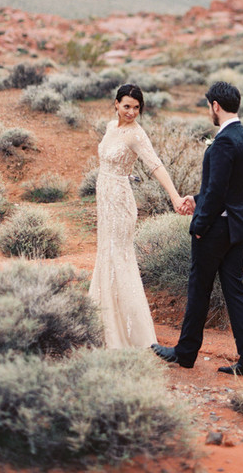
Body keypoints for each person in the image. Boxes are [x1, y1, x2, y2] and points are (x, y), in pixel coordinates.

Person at [151, 81, 243, 377]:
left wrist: (199, 225)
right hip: (236, 226)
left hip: (215, 229)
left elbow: (217, 191)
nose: (208, 112)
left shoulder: (224, 141)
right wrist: (196, 199)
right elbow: (228, 189)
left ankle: (185, 353)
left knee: (199, 289)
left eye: (208, 106)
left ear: (215, 105)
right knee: (235, 293)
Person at [89, 83, 185, 349]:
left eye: (136, 108)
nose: (131, 112)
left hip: (120, 204)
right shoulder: (110, 127)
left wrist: (174, 197)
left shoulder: (136, 135)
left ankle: (131, 336)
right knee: (105, 255)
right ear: (116, 104)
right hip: (104, 201)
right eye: (127, 106)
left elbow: (155, 165)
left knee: (119, 258)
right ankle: (101, 325)